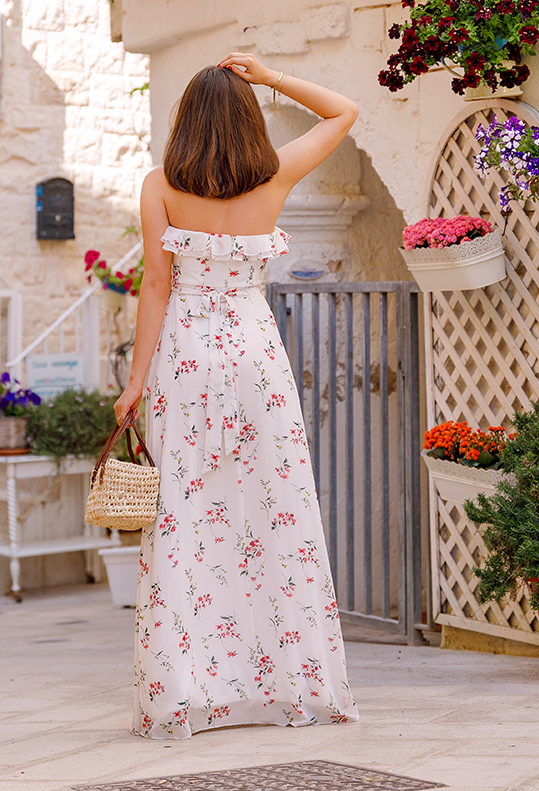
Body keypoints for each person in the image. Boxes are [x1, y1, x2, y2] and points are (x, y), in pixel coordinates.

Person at [114, 53, 360, 740]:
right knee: (275, 516)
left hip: (186, 361)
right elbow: (345, 110)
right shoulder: (274, 175)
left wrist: (135, 384)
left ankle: (187, 691)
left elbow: (156, 288)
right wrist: (273, 77)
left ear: (186, 123)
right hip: (256, 357)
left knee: (185, 521)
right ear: (249, 120)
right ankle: (292, 685)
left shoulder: (160, 184)